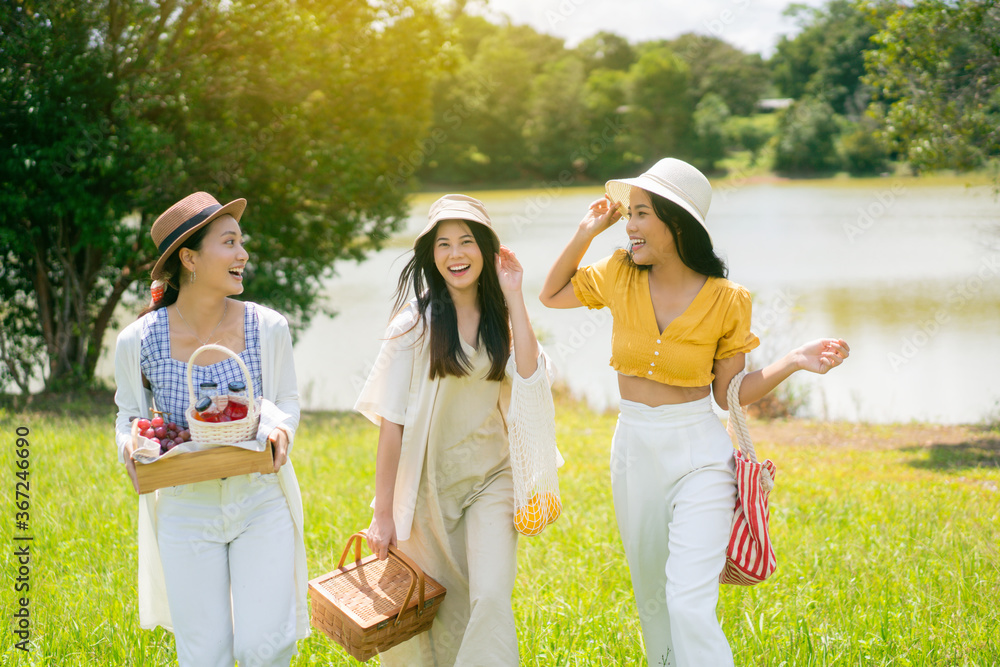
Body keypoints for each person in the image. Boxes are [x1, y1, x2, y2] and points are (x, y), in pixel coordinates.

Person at [539, 158, 849, 667]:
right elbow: (550, 295)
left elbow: (731, 392)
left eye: (641, 214)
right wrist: (584, 233)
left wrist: (793, 361)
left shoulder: (728, 300)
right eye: (629, 213)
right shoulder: (618, 273)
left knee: (688, 601)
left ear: (676, 223)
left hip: (700, 455)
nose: (630, 225)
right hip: (634, 449)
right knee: (653, 599)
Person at [355, 194, 552, 666]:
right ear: (432, 255)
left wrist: (513, 294)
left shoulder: (502, 320)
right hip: (427, 490)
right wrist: (384, 513)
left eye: (466, 241)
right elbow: (391, 424)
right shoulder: (414, 325)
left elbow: (530, 376)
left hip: (491, 481)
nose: (455, 253)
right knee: (432, 611)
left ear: (485, 249)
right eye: (443, 244)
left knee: (490, 595)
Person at [113, 192, 309, 666]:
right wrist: (128, 445)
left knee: (265, 646)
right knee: (204, 656)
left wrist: (280, 430)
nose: (243, 255)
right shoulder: (138, 340)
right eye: (229, 242)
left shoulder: (268, 326)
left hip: (260, 498)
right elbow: (129, 415)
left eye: (241, 242)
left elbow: (286, 399)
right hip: (185, 509)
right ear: (190, 258)